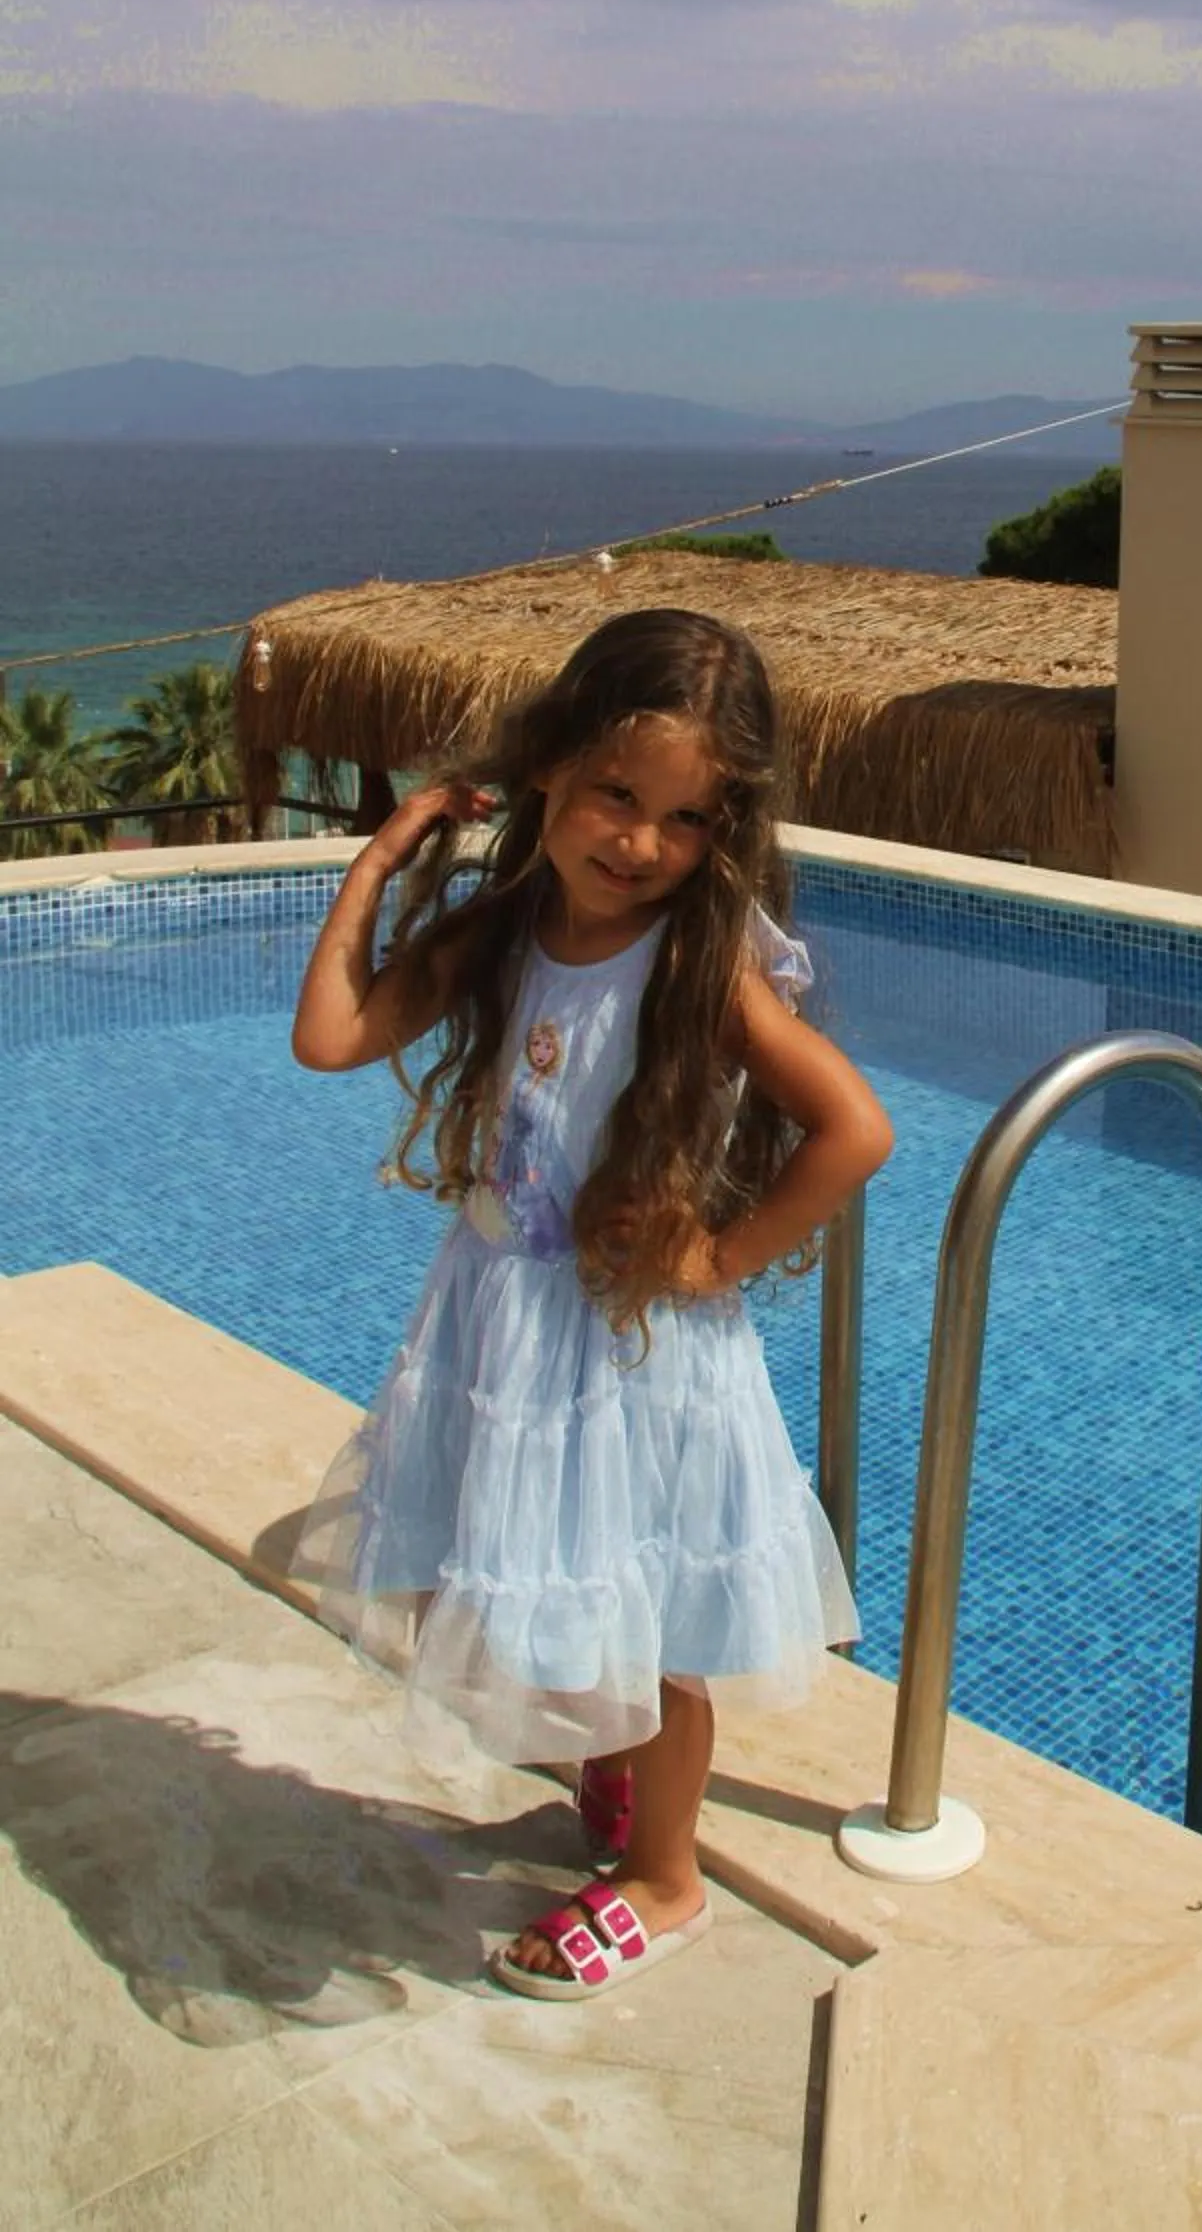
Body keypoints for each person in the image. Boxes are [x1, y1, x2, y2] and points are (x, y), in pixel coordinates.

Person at [290, 608, 893, 2001]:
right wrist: (387, 856)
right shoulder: (502, 938)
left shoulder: (695, 964)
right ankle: (631, 1787)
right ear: (553, 764)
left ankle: (665, 1879)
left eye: (684, 820)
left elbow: (853, 1129)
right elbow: (330, 1036)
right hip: (504, 1325)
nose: (638, 842)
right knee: (515, 1587)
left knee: (652, 1629)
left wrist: (718, 1258)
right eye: (619, 794)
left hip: (630, 1354)